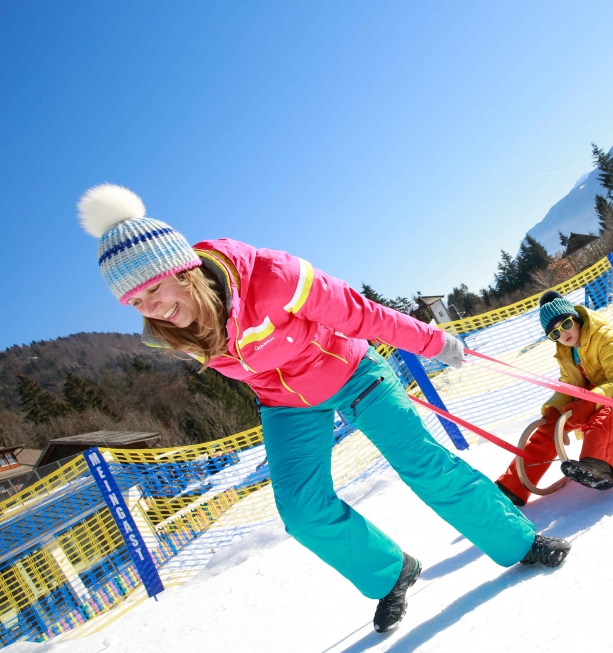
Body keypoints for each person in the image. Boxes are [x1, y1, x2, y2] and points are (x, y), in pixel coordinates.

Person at [77, 184, 571, 634]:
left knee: (421, 464)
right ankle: (391, 571)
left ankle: (518, 542)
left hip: (352, 372)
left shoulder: (273, 277)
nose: (152, 308)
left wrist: (434, 341)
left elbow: (363, 314)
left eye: (153, 289)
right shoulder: (170, 334)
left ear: (181, 269)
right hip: (284, 402)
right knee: (300, 509)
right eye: (136, 301)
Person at [495, 291, 613, 506]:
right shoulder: (566, 353)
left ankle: (598, 465)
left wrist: (592, 401)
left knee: (604, 412)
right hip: (591, 399)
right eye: (554, 334)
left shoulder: (603, 336)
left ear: (575, 318)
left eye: (565, 324)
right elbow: (567, 386)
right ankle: (513, 485)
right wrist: (554, 408)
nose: (563, 335)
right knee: (550, 425)